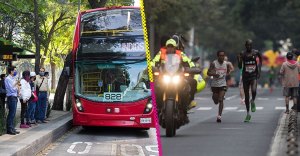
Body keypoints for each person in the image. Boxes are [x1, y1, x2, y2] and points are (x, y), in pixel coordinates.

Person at [151, 39, 205, 110]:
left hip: (178, 75)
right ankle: (154, 104)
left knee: (192, 82)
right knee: (154, 85)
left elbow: (189, 62)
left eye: (172, 46)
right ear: (166, 47)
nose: (170, 48)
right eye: (168, 46)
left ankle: (189, 101)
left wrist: (193, 68)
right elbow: (153, 61)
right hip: (164, 76)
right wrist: (150, 67)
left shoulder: (180, 54)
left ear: (175, 47)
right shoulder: (161, 53)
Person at [237, 39, 262, 122]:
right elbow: (240, 67)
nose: (249, 46)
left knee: (254, 90)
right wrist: (239, 59)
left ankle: (253, 101)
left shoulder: (256, 52)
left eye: (250, 45)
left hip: (254, 75)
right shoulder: (243, 54)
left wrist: (259, 70)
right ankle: (248, 114)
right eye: (247, 45)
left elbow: (261, 59)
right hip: (245, 76)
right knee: (246, 95)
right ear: (245, 45)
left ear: (252, 45)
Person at [207, 50, 231, 123]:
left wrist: (225, 75)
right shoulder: (213, 63)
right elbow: (208, 73)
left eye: (223, 55)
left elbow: (228, 71)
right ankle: (214, 98)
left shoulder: (226, 64)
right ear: (218, 56)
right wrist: (214, 74)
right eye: (220, 55)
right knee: (216, 101)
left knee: (221, 99)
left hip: (223, 84)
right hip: (215, 84)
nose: (222, 57)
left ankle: (219, 116)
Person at [5, 66, 20, 135]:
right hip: (11, 97)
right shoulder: (8, 79)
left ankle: (12, 128)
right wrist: (16, 85)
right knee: (11, 113)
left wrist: (17, 86)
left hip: (14, 97)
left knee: (13, 113)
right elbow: (12, 89)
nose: (15, 72)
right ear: (11, 71)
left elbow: (17, 87)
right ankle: (9, 129)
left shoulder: (13, 78)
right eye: (14, 70)